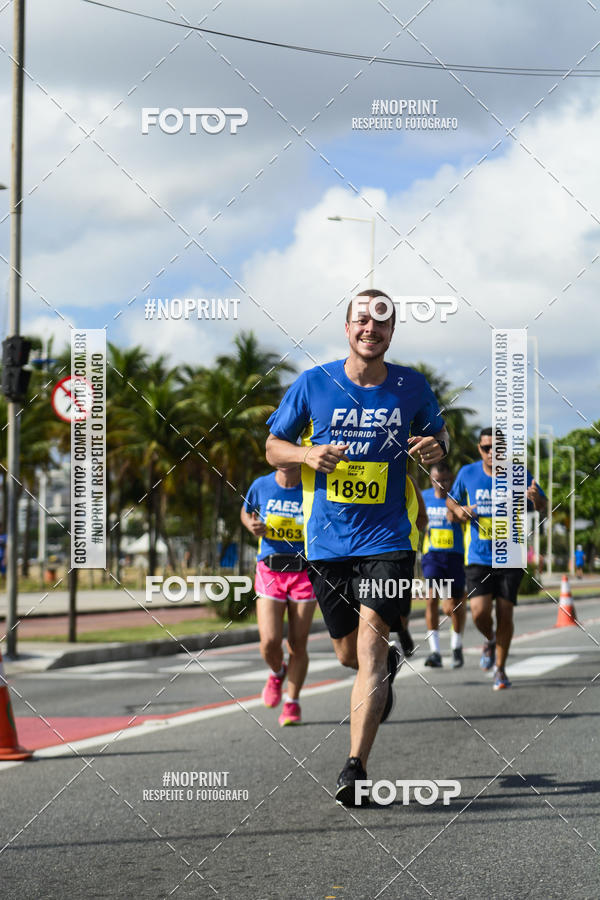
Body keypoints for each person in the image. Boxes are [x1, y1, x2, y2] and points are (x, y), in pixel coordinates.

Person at [265, 289, 449, 806]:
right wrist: (306, 452)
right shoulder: (313, 383)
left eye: (382, 323)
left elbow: (439, 437)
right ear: (347, 328)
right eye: (362, 321)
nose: (372, 329)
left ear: (392, 333)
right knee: (349, 654)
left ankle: (355, 768)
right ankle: (382, 668)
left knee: (369, 646)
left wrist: (436, 446)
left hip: (389, 539)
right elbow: (272, 445)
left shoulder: (412, 386)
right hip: (327, 543)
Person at [446, 427, 547, 690]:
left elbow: (543, 504)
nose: (491, 452)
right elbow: (451, 504)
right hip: (478, 556)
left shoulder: (519, 475)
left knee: (505, 612)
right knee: (479, 613)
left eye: (497, 448)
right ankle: (490, 639)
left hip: (510, 554)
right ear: (479, 449)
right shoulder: (467, 473)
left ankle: (500, 670)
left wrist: (537, 501)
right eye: (485, 448)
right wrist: (461, 511)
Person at [241, 465, 317, 726]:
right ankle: (277, 672)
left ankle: (292, 703)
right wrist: (251, 524)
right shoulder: (261, 485)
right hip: (270, 569)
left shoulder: (312, 487)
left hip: (304, 571)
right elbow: (246, 510)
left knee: (297, 643)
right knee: (270, 641)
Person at [421, 461, 466, 668]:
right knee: (431, 600)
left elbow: (472, 517)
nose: (441, 484)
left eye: (445, 480)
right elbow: (416, 519)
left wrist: (459, 517)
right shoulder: (424, 497)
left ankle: (456, 646)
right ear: (431, 479)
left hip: (454, 557)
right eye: (437, 480)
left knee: (453, 607)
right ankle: (435, 652)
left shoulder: (456, 499)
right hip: (432, 557)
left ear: (451, 480)